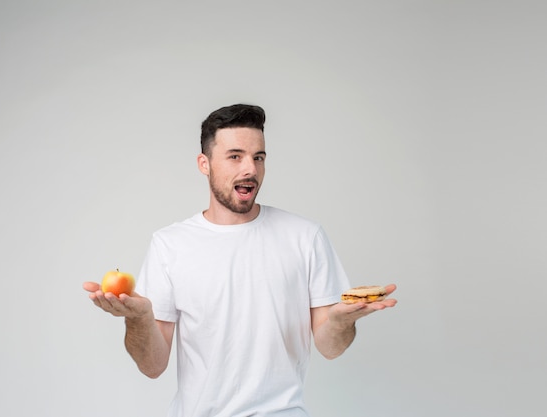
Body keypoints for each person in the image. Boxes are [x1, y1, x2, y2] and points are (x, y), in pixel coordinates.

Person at [83, 104, 397, 417]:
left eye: (258, 157)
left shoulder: (305, 236)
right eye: (235, 156)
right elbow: (152, 366)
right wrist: (138, 319)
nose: (250, 169)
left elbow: (330, 347)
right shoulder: (170, 245)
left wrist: (342, 322)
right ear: (204, 164)